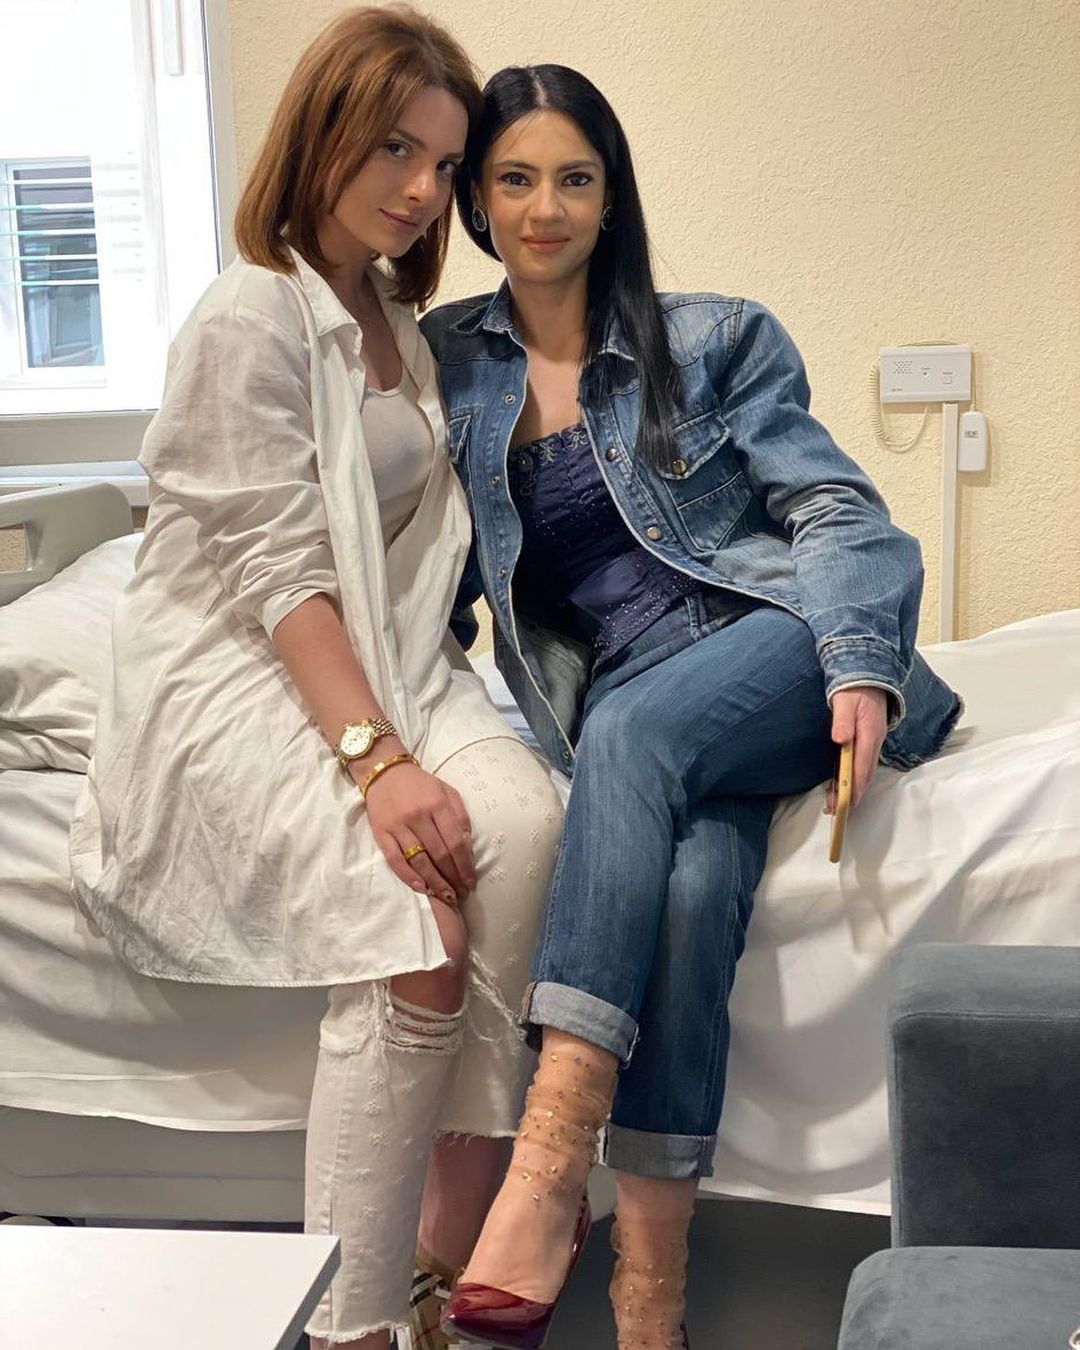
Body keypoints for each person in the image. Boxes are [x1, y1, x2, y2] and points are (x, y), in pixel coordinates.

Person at [420, 64, 962, 1350]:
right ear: (477, 200)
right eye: (515, 179)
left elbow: (835, 510)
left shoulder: (716, 336)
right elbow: (426, 577)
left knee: (634, 735)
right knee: (686, 883)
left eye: (575, 178)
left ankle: (548, 1171)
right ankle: (649, 1298)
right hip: (638, 700)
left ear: (611, 196)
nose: (545, 208)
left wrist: (859, 660)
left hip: (778, 639)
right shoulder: (445, 364)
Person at [69, 13, 564, 1349]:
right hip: (242, 662)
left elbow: (411, 543)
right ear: (323, 130)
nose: (421, 189)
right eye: (395, 147)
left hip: (386, 650)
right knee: (419, 930)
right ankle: (349, 1325)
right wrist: (381, 763)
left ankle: (443, 1255)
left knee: (525, 828)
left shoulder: (393, 314)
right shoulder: (252, 309)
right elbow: (280, 573)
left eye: (444, 164)